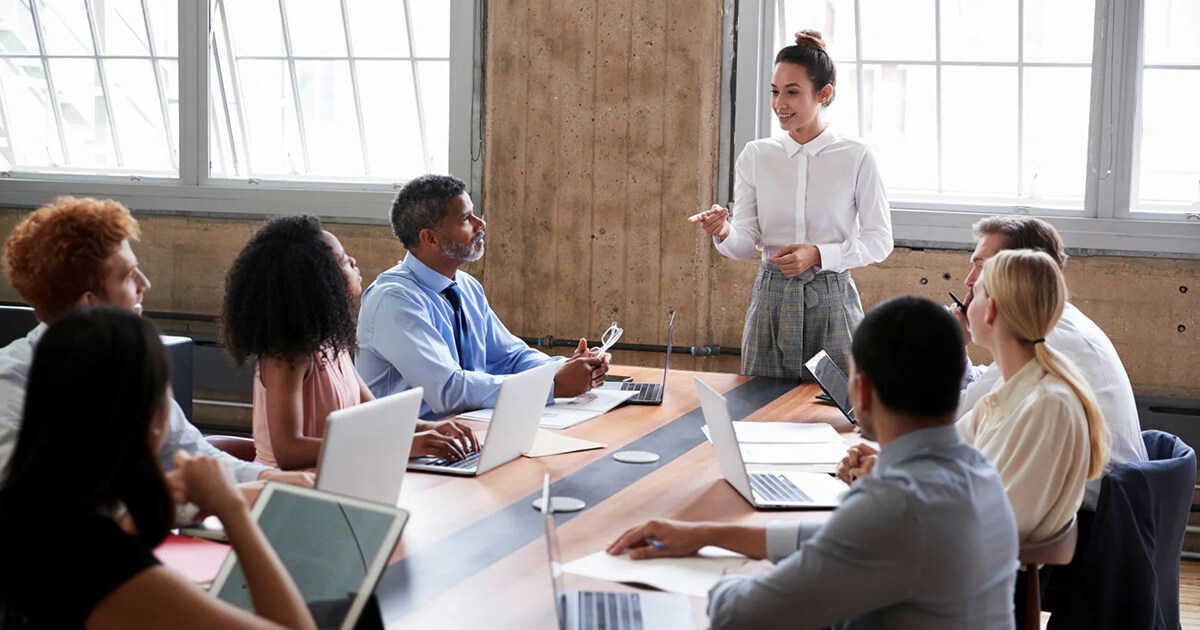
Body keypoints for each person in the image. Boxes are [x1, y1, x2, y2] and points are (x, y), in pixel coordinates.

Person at [607, 297, 1018, 630]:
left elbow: (741, 615)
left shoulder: (897, 505)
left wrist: (725, 574)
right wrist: (708, 535)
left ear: (863, 391)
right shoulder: (977, 469)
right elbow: (838, 541)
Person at [0, 307, 316, 630]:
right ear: (146, 420)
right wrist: (230, 509)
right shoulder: (105, 568)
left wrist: (151, 508)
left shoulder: (36, 522)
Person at [840, 216, 1144, 511]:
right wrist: (892, 468)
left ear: (1012, 281)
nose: (968, 283)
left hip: (1089, 522)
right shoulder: (1041, 338)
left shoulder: (1048, 353)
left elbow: (947, 427)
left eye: (982, 272)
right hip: (1057, 512)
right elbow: (954, 439)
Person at [0, 196, 307, 486]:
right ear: (89, 304)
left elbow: (193, 455)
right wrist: (189, 500)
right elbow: (39, 499)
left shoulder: (128, 363)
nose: (145, 284)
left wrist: (275, 481)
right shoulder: (10, 383)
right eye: (129, 276)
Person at [689, 29, 892, 378]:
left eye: (792, 92)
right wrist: (723, 230)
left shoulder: (857, 156)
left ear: (824, 94)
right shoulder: (757, 155)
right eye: (775, 91)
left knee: (839, 412)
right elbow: (743, 245)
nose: (780, 104)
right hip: (771, 299)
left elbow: (879, 241)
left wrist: (817, 255)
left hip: (832, 300)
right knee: (759, 409)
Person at [220, 215, 480, 470]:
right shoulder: (287, 355)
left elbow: (375, 413)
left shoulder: (332, 342)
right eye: (343, 260)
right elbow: (289, 452)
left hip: (338, 478)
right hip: (289, 490)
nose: (353, 262)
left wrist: (429, 429)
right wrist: (405, 444)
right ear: (318, 281)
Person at [356, 174, 609, 418]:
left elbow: (511, 357)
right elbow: (448, 389)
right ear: (430, 238)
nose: (481, 224)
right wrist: (552, 385)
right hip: (411, 449)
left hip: (465, 433)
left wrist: (566, 368)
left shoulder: (465, 286)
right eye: (466, 219)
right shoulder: (394, 300)